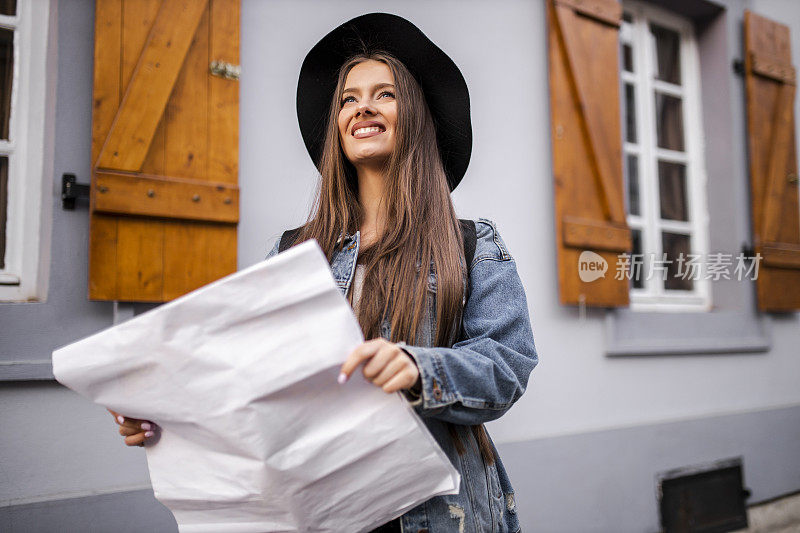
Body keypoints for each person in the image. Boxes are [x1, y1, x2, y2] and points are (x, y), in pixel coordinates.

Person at [110, 13, 538, 533]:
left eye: (384, 94)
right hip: (322, 511)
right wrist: (167, 417)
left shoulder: (473, 244)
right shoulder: (294, 251)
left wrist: (417, 369)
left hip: (436, 513)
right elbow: (246, 374)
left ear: (417, 116)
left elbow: (506, 365)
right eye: (348, 98)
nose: (362, 106)